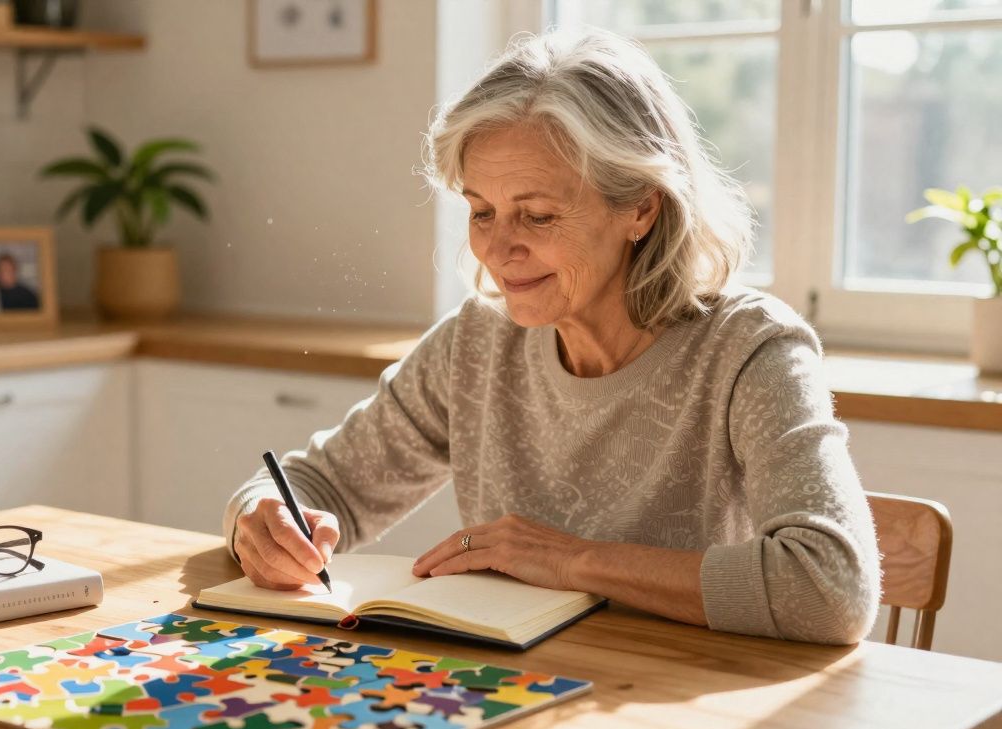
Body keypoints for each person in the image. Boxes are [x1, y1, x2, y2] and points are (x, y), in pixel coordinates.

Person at [223, 29, 881, 645]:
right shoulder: (478, 343)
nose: (499, 248)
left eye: (537, 215)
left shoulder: (749, 350)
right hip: (506, 695)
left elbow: (829, 587)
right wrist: (261, 520)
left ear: (641, 208)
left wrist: (574, 562)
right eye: (482, 211)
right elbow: (317, 483)